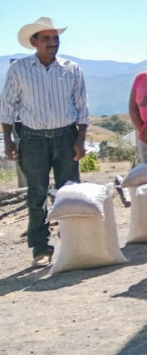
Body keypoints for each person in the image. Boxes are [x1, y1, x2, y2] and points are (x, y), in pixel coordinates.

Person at [0, 17, 90, 265]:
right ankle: (41, 249)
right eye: (46, 39)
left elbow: (82, 106)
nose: (52, 43)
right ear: (34, 42)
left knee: (69, 192)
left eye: (55, 38)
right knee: (37, 193)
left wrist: (80, 138)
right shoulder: (19, 69)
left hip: (66, 137)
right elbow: (8, 106)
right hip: (32, 139)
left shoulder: (71, 69)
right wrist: (8, 140)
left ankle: (73, 245)